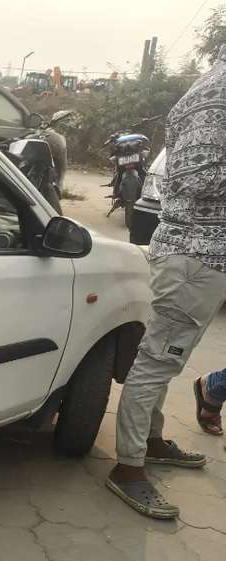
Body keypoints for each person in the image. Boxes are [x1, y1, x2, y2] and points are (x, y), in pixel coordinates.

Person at [107, 45, 226, 519]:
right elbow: (198, 178)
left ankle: (151, 441)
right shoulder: (217, 98)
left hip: (198, 255)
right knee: (157, 362)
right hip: (195, 256)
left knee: (164, 359)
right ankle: (128, 468)